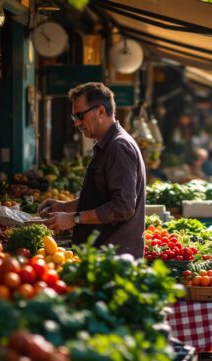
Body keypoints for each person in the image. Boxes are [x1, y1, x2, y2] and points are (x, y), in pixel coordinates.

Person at [38, 82, 146, 257]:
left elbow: (123, 207)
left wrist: (74, 218)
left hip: (112, 260)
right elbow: (101, 199)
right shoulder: (108, 145)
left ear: (101, 111)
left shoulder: (118, 146)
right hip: (102, 256)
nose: (76, 123)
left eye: (80, 115)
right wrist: (65, 207)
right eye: (74, 117)